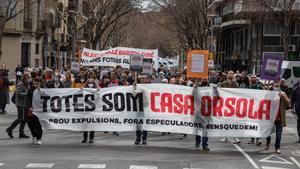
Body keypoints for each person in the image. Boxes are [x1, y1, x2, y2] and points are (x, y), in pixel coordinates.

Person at [265, 81, 290, 154]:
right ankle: (267, 142)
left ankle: (277, 147)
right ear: (272, 86)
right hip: (271, 117)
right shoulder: (269, 94)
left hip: (279, 118)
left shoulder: (283, 93)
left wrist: (282, 96)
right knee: (268, 133)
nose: (276, 86)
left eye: (278, 85)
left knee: (278, 134)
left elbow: (288, 103)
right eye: (275, 85)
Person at [6, 73, 31, 139]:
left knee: (24, 119)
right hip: (20, 103)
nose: (29, 79)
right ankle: (10, 129)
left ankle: (21, 133)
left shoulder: (27, 84)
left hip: (25, 103)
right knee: (20, 118)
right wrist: (27, 93)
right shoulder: (21, 84)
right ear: (25, 78)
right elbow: (18, 93)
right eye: (29, 77)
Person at [219, 70, 241, 144]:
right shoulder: (223, 83)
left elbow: (239, 93)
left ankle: (235, 136)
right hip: (225, 105)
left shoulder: (236, 84)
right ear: (227, 75)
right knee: (225, 121)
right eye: (230, 73)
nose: (231, 75)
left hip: (234, 105)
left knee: (234, 121)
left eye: (232, 74)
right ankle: (225, 136)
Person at [81, 71, 99, 144]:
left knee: (92, 123)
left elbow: (99, 88)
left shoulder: (95, 82)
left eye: (92, 75)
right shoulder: (86, 82)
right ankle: (85, 137)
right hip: (86, 105)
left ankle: (91, 138)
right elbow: (82, 88)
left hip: (93, 106)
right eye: (90, 75)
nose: (91, 76)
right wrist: (85, 84)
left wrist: (96, 84)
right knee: (85, 122)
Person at [27, 77, 43, 145]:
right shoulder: (31, 89)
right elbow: (28, 99)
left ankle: (39, 138)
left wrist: (40, 90)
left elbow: (46, 97)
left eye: (38, 83)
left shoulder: (43, 89)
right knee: (31, 124)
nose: (36, 85)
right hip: (31, 109)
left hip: (39, 110)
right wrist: (30, 107)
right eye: (35, 83)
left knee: (38, 125)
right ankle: (34, 136)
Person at [248, 74, 263, 146]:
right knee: (251, 123)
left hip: (258, 107)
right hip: (250, 107)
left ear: (256, 79)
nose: (253, 79)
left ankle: (258, 139)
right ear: (250, 79)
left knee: (258, 123)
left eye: (255, 77)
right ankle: (252, 138)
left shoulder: (259, 86)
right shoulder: (248, 87)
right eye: (252, 77)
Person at [195, 78, 210, 151]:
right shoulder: (198, 89)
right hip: (199, 112)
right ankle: (198, 141)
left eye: (206, 79)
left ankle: (204, 144)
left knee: (205, 130)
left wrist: (216, 90)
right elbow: (192, 97)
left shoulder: (211, 90)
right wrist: (195, 88)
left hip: (207, 113)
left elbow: (217, 98)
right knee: (198, 128)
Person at [135, 74, 149, 145]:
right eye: (141, 78)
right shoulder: (136, 86)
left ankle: (144, 138)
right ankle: (138, 138)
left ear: (146, 79)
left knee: (145, 124)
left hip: (146, 107)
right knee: (138, 123)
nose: (143, 79)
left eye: (144, 78)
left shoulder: (149, 87)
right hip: (138, 107)